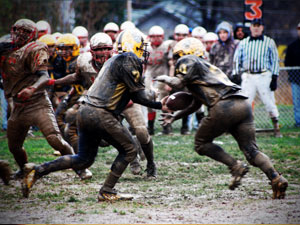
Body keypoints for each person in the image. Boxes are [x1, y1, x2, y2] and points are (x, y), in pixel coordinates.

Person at [20, 28, 168, 201]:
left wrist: (157, 103)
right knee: (129, 149)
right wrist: (160, 102)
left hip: (85, 111)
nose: (144, 51)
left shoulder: (115, 60)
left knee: (83, 160)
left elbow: (133, 95)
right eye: (141, 46)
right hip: (101, 113)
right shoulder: (129, 60)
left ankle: (37, 170)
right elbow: (138, 95)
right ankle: (107, 190)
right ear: (133, 45)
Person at [156, 37, 288, 199]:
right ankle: (276, 178)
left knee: (201, 144)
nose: (175, 61)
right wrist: (174, 117)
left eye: (176, 56)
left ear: (184, 53)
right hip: (243, 104)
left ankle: (236, 166)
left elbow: (177, 83)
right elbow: (196, 104)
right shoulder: (206, 69)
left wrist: (164, 79)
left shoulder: (188, 60)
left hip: (224, 105)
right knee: (251, 150)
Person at [0, 19, 91, 184]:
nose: (20, 35)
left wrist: (32, 88)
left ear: (32, 35)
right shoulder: (6, 48)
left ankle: (80, 167)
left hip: (37, 103)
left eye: (25, 32)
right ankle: (24, 169)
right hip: (18, 106)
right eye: (17, 31)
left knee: (55, 139)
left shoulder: (35, 48)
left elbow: (44, 76)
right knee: (13, 146)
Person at [232, 18, 282, 137]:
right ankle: (245, 129)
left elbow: (275, 60)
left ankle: (276, 127)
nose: (256, 28)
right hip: (248, 75)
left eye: (258, 25)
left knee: (269, 102)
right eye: (254, 25)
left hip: (264, 75)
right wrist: (236, 73)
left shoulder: (269, 42)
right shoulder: (244, 42)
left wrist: (274, 77)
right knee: (245, 103)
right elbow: (237, 58)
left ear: (262, 27)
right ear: (250, 27)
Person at [144, 25, 170, 135]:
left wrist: (169, 80)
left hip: (162, 76)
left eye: (158, 36)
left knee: (165, 101)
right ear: (149, 37)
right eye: (153, 36)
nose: (156, 38)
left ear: (163, 36)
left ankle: (167, 126)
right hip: (150, 76)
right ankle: (150, 127)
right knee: (149, 101)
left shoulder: (166, 47)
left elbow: (171, 64)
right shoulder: (146, 48)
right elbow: (144, 65)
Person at [167, 24, 190, 135]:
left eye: (183, 35)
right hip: (176, 76)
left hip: (187, 76)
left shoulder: (191, 45)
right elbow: (171, 63)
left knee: (187, 102)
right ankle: (167, 125)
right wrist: (170, 80)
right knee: (170, 101)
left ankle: (184, 126)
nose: (180, 37)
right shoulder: (172, 46)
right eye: (178, 35)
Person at [284, 22, 300, 127]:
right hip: (296, 79)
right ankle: (298, 122)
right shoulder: (292, 46)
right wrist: (292, 74)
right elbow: (287, 62)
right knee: (297, 102)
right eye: (299, 29)